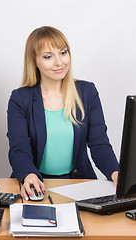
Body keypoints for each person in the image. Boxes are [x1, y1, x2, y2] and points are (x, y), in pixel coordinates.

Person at [7, 26, 119, 200]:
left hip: (79, 183)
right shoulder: (20, 98)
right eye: (48, 56)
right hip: (36, 183)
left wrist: (116, 173)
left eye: (63, 52)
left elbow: (100, 145)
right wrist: (29, 175)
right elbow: (19, 149)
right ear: (34, 61)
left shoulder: (87, 92)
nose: (59, 62)